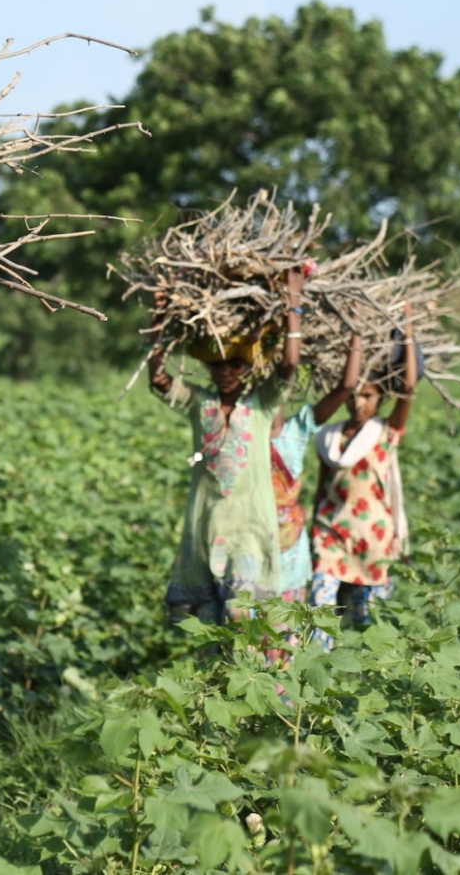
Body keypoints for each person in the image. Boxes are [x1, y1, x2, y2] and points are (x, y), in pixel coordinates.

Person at [148, 268, 305, 624]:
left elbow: (289, 364)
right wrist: (157, 319)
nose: (224, 371)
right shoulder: (199, 403)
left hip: (250, 525)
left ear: (246, 366)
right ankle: (214, 681)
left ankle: (248, 677)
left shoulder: (261, 406)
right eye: (216, 363)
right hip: (206, 526)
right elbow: (157, 378)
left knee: (240, 613)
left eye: (234, 363)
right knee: (206, 627)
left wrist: (294, 304)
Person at [308, 308, 417, 648]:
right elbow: (321, 488)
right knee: (318, 617)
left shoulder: (385, 432)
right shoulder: (328, 437)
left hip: (373, 542)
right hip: (330, 535)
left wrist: (408, 330)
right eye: (354, 394)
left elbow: (409, 385)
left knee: (370, 630)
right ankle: (311, 688)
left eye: (368, 396)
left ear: (380, 397)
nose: (358, 403)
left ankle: (361, 693)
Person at [270, 333, 364, 602]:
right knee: (244, 631)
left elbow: (346, 385)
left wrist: (354, 333)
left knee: (283, 631)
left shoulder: (297, 428)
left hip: (289, 549)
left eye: (278, 390)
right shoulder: (244, 431)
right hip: (249, 544)